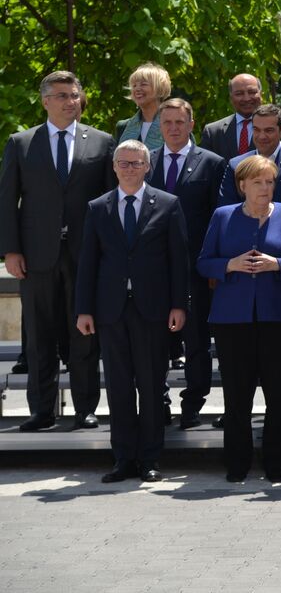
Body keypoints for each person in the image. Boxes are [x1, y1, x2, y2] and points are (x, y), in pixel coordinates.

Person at [0, 71, 114, 432]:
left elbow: (109, 202)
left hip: (85, 254)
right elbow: (7, 200)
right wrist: (11, 251)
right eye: (63, 95)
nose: (71, 101)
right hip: (37, 255)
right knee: (39, 336)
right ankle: (42, 411)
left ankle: (85, 408)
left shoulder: (101, 141)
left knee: (83, 333)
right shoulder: (21, 143)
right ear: (45, 100)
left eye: (75, 95)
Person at [75, 140, 189, 483]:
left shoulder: (168, 204)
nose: (129, 169)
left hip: (152, 310)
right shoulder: (97, 207)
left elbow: (178, 261)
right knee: (119, 386)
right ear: (113, 167)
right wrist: (83, 309)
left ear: (147, 166)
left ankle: (150, 459)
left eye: (136, 163)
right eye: (123, 163)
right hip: (110, 312)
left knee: (152, 387)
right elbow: (88, 263)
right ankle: (123, 459)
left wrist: (179, 305)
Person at [196, 154, 281, 483]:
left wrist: (279, 264)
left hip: (279, 318)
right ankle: (237, 465)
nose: (265, 188)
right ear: (242, 185)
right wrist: (229, 265)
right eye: (258, 182)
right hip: (233, 321)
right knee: (237, 396)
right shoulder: (223, 216)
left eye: (270, 181)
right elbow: (204, 262)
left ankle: (275, 466)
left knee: (278, 396)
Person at [216, 103, 281, 424]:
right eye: (256, 130)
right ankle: (236, 409)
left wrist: (279, 250)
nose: (262, 136)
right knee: (242, 350)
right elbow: (226, 210)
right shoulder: (235, 164)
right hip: (241, 269)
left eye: (269, 130)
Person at [147, 98, 225, 429]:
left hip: (195, 269)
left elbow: (218, 218)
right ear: (159, 127)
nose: (174, 129)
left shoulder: (212, 163)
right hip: (152, 270)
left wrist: (213, 267)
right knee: (154, 341)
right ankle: (158, 402)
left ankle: (192, 404)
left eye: (180, 122)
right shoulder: (144, 163)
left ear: (192, 124)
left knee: (196, 341)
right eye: (167, 123)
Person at [200, 73, 281, 158]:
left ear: (261, 94)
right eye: (239, 93)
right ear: (231, 98)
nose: (246, 98)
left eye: (252, 92)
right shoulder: (213, 132)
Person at [114, 63, 172, 153]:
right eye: (134, 85)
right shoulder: (123, 126)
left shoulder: (175, 124)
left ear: (160, 88)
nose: (137, 89)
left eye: (143, 84)